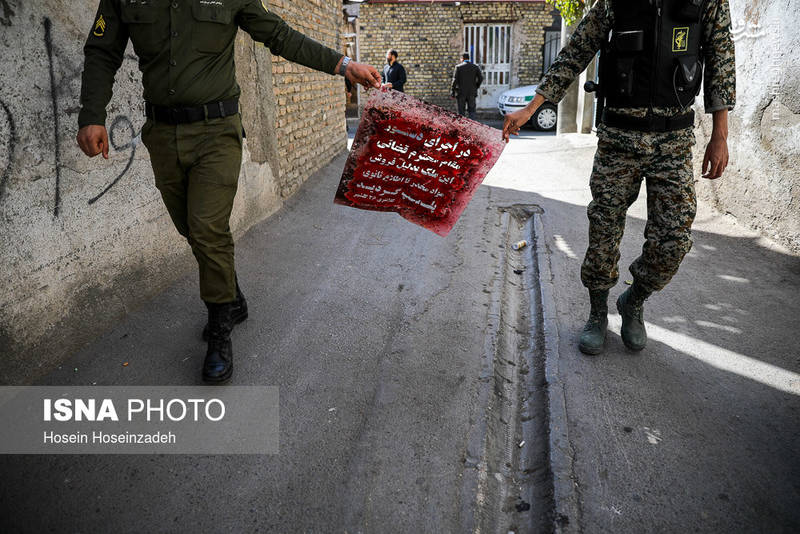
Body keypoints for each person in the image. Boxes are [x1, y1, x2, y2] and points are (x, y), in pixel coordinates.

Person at [76, 0, 381, 383]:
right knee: (190, 226)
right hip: (162, 133)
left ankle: (220, 328)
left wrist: (343, 65)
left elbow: (280, 36)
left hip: (216, 131)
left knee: (206, 227)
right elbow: (103, 50)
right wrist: (92, 114)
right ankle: (232, 296)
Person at [502, 0, 735, 355]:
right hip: (619, 139)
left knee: (673, 238)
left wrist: (720, 135)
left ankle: (634, 299)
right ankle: (598, 312)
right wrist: (532, 108)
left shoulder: (708, 2)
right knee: (604, 230)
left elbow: (721, 61)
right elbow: (577, 50)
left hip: (673, 141)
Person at [451, 52, 484, 119]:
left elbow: (454, 80)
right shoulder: (475, 67)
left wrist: (452, 92)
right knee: (472, 111)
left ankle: (462, 127)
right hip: (472, 92)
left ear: (462, 58)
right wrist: (476, 86)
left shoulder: (458, 67)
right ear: (468, 58)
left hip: (461, 93)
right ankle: (472, 127)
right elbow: (481, 78)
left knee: (461, 112)